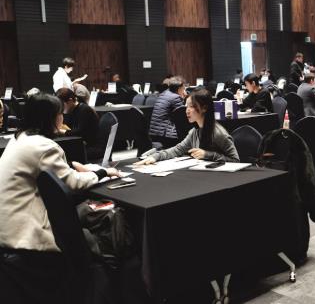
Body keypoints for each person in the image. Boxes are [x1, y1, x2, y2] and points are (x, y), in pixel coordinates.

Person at [0, 94, 120, 301]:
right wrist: (102, 172)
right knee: (103, 221)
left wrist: (75, 168)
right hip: (27, 235)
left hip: (6, 227)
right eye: (60, 113)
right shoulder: (43, 146)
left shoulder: (19, 139)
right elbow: (73, 183)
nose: (63, 117)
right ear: (50, 118)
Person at [136, 89, 239, 165]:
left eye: (191, 106)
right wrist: (155, 157)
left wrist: (208, 155)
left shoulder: (218, 134)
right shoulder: (194, 132)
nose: (187, 111)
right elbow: (177, 150)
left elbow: (235, 160)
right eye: (186, 106)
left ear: (204, 108)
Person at [149, 76, 187, 148]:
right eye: (184, 88)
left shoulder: (163, 94)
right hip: (166, 136)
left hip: (154, 133)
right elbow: (182, 116)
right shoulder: (176, 97)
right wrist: (183, 99)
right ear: (179, 88)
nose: (184, 90)